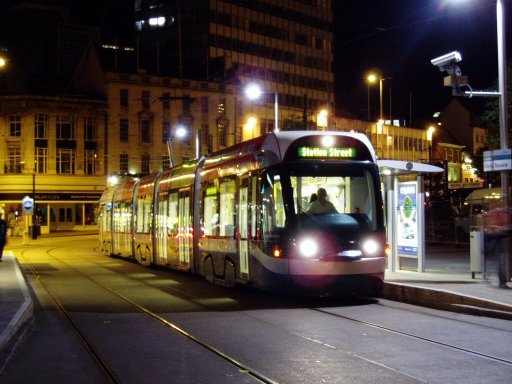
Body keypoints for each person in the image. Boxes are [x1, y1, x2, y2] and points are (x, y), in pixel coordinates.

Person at [483, 207, 512, 288]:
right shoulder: (495, 213)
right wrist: (499, 229)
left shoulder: (498, 213)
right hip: (497, 243)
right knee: (498, 263)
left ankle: (499, 280)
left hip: (498, 243)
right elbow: (490, 229)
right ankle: (501, 281)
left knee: (497, 263)